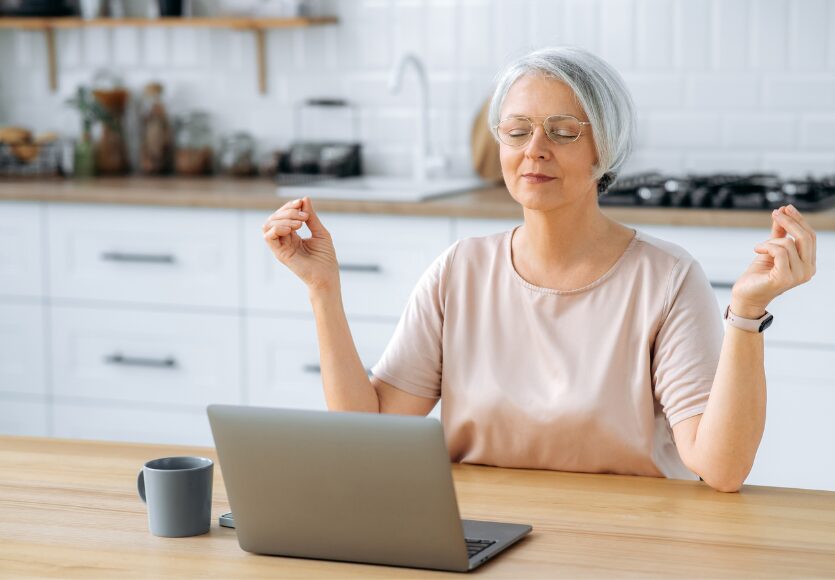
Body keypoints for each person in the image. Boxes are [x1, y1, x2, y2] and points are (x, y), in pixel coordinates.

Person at [261, 47, 817, 493]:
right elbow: (371, 431)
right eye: (518, 130)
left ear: (605, 147)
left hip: (627, 541)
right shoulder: (459, 271)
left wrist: (745, 314)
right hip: (479, 530)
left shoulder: (666, 279)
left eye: (563, 131)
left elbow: (720, 470)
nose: (535, 150)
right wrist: (322, 289)